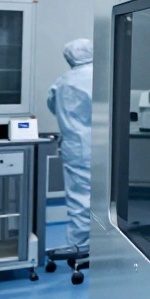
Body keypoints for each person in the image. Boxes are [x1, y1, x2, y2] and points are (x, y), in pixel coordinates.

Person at [47, 38, 93, 251]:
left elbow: (53, 106)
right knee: (107, 199)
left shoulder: (62, 81)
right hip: (104, 147)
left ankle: (79, 248)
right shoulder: (101, 77)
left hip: (75, 148)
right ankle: (102, 248)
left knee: (79, 200)